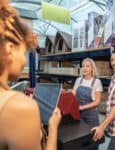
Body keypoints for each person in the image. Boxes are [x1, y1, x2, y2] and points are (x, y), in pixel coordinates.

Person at [0, 1, 61, 150]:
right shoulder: (20, 108)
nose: (24, 60)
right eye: (24, 51)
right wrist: (52, 128)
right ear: (10, 49)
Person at [72, 58, 103, 150]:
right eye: (83, 66)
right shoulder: (78, 80)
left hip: (91, 116)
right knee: (81, 139)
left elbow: (97, 102)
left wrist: (81, 107)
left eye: (87, 66)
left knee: (93, 140)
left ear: (92, 68)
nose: (84, 68)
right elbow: (73, 94)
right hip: (79, 114)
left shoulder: (96, 82)